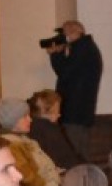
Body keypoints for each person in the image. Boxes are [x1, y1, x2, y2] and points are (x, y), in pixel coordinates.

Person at [44, 19, 102, 155]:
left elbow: (64, 72)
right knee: (78, 151)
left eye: (65, 34)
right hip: (79, 112)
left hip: (74, 112)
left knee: (73, 152)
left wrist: (55, 54)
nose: (64, 38)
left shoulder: (82, 49)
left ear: (75, 32)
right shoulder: (85, 47)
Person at [27, 89, 81, 172]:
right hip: (65, 173)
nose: (59, 115)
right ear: (46, 111)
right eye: (57, 111)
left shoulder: (32, 127)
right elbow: (66, 159)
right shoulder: (49, 130)